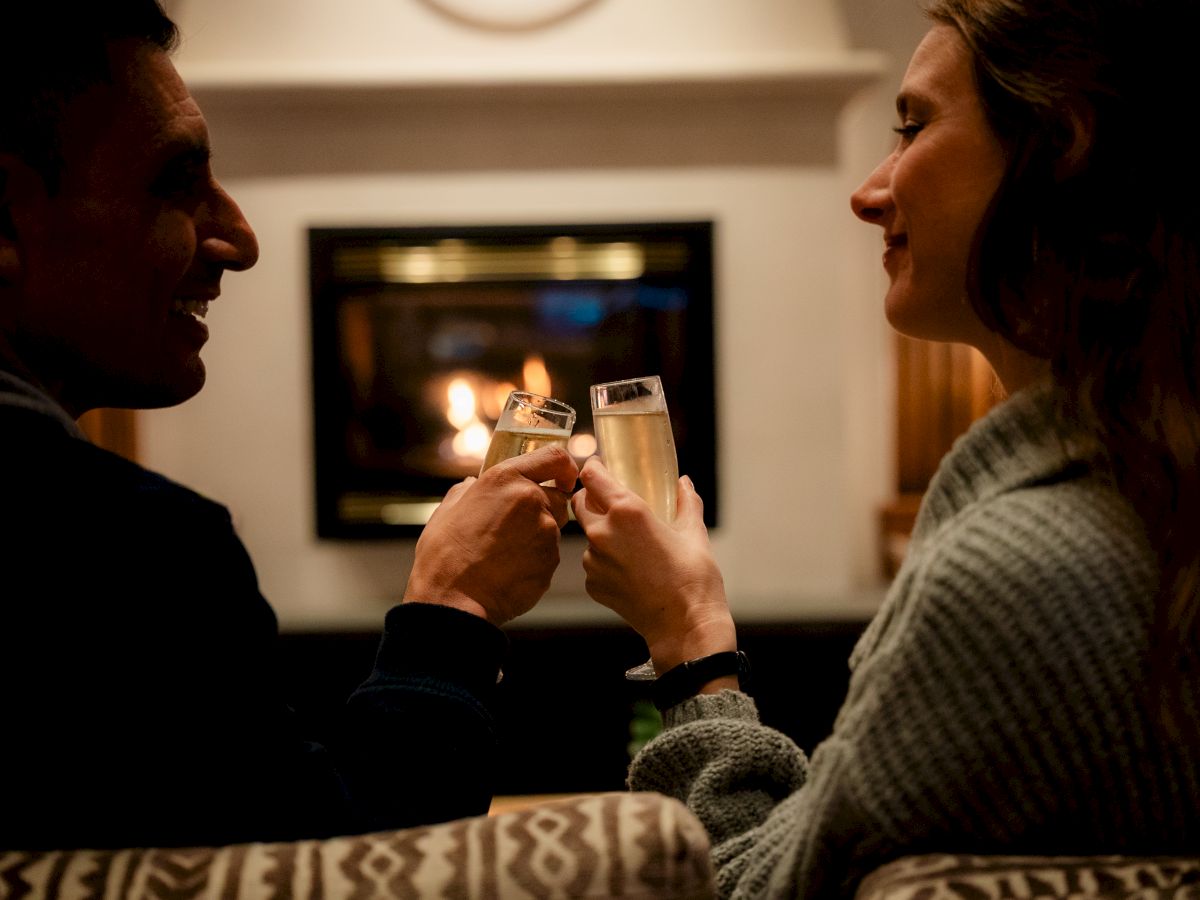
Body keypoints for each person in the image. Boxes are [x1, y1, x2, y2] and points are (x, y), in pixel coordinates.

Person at [572, 0, 1200, 896]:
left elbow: (747, 892)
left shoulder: (1020, 576)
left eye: (912, 128)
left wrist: (688, 636)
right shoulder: (1151, 484)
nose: (868, 193)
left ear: (1060, 150)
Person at [0, 3, 577, 851]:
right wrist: (455, 604)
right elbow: (353, 874)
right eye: (175, 182)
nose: (240, 238)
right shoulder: (124, 551)